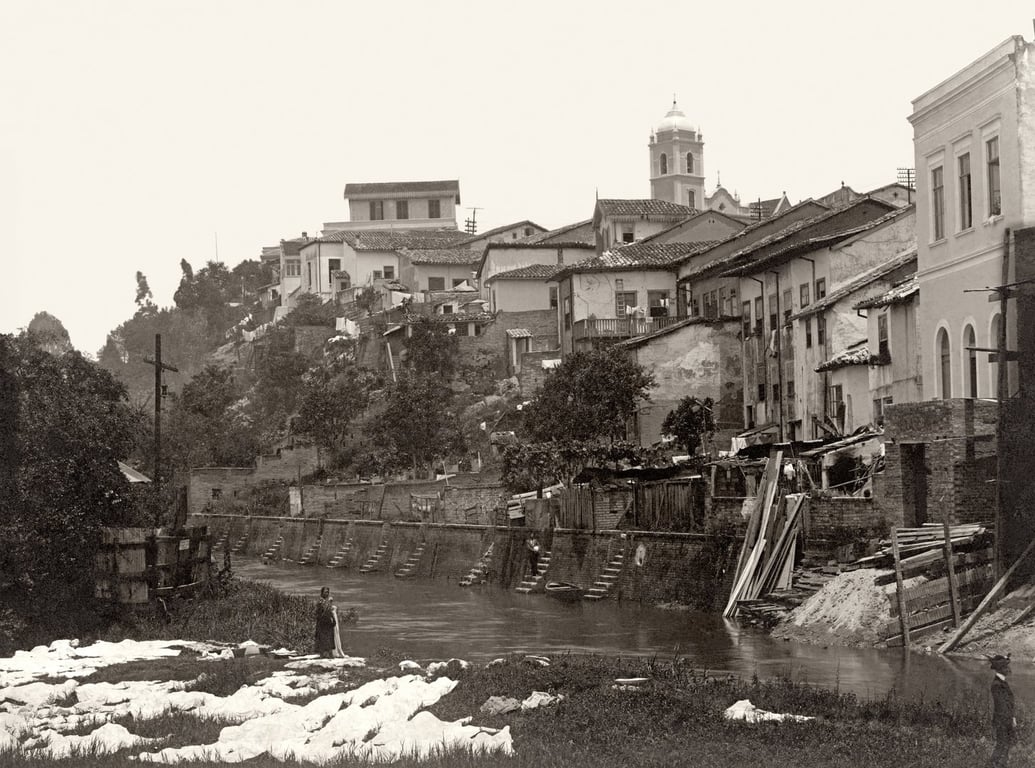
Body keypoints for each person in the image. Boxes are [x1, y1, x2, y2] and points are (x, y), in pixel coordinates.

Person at [989, 653, 1016, 768]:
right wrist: (1009, 719)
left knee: (1005, 744)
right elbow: (1001, 705)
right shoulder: (997, 684)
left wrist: (1013, 718)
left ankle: (999, 764)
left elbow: (1008, 703)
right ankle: (994, 764)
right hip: (1002, 720)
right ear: (1001, 669)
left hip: (1005, 719)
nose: (1008, 669)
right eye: (1006, 667)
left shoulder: (1002, 682)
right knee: (1002, 744)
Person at [314, 587, 338, 658]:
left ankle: (329, 655)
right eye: (325, 592)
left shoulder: (325, 601)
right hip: (322, 624)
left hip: (328, 623)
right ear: (322, 593)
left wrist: (333, 620)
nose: (327, 593)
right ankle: (323, 655)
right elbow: (325, 610)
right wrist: (329, 602)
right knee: (323, 639)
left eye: (328, 592)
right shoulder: (320, 601)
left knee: (329, 639)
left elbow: (329, 612)